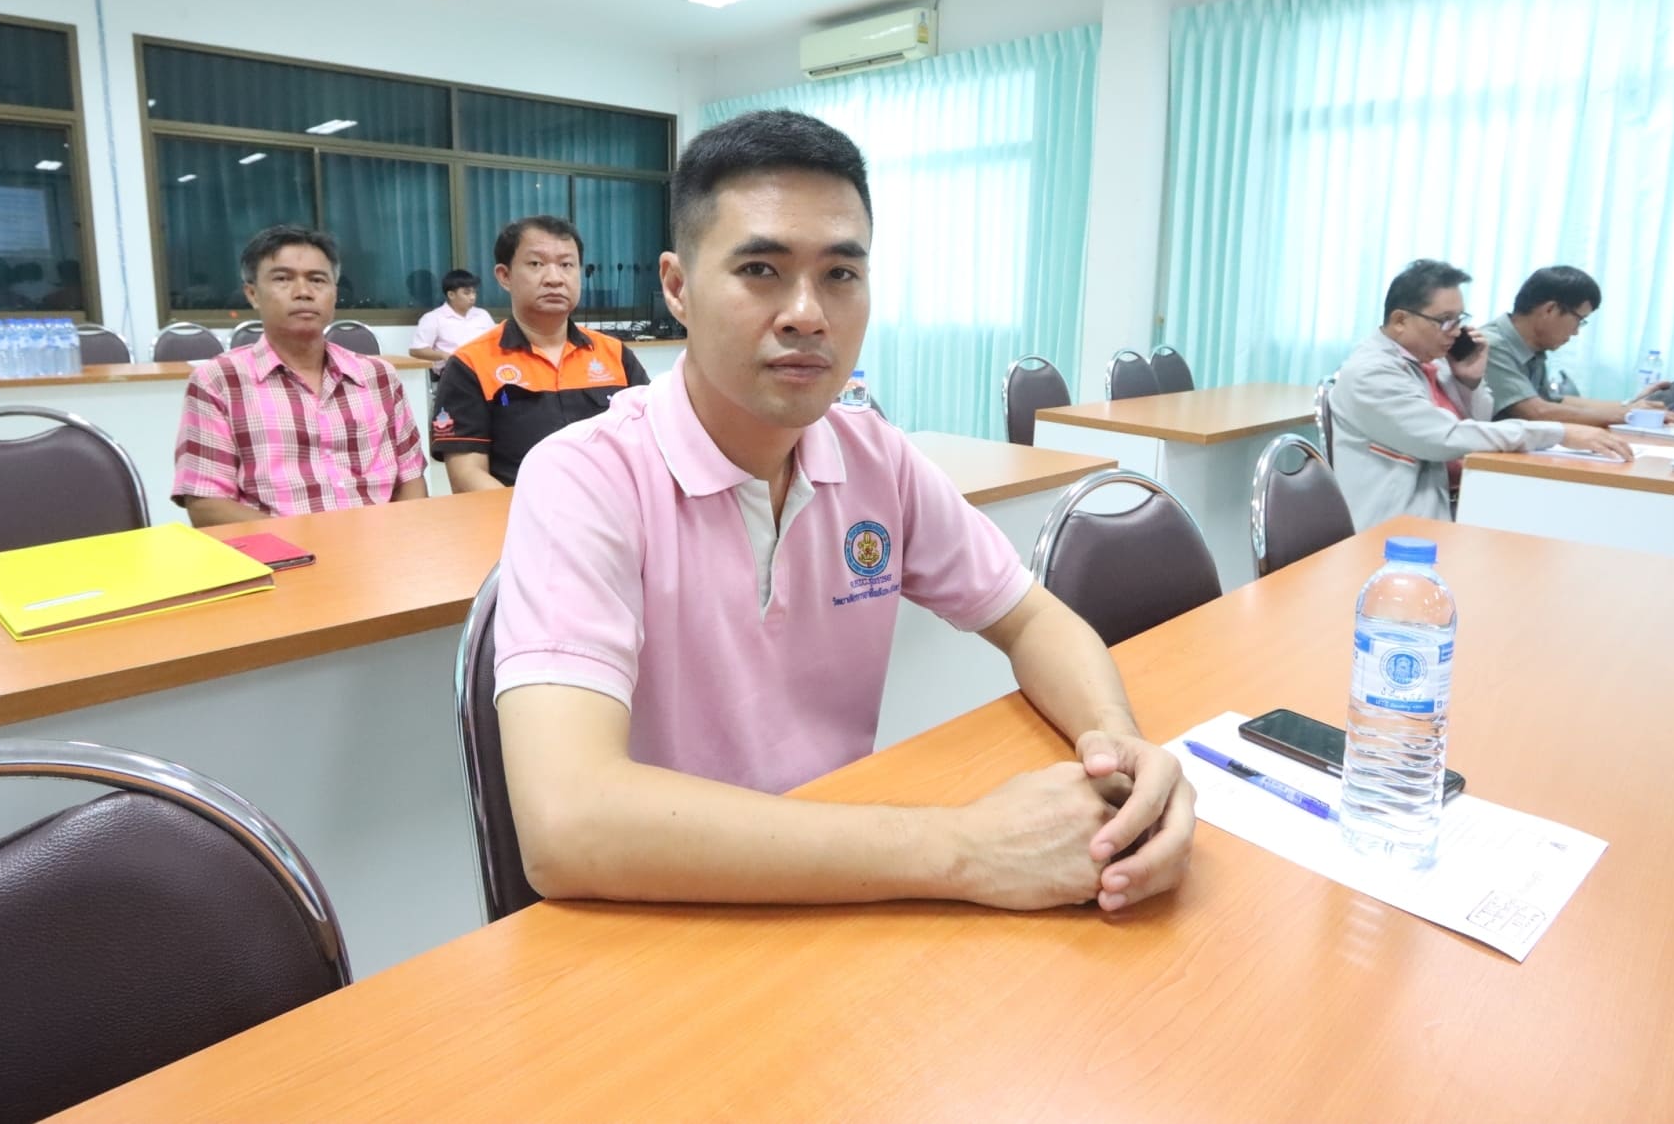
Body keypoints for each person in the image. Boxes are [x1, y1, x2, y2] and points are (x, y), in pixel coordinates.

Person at [490, 109, 1196, 913]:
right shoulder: (584, 477)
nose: (807, 312)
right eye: (760, 269)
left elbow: (1032, 619)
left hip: (846, 895)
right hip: (666, 915)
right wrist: (965, 849)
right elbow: (567, 821)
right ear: (678, 287)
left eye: (840, 274)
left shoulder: (875, 457)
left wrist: (1117, 747)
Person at [1329, 258, 1634, 529]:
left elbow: (1479, 425)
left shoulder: (1434, 362)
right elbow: (1447, 438)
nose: (1456, 331)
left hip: (1459, 503)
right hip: (1398, 527)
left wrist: (1469, 382)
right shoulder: (1372, 374)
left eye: (1459, 319)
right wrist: (1559, 433)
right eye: (1445, 321)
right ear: (1400, 321)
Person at [172, 224, 427, 525]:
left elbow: (411, 479)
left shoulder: (379, 377)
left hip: (382, 545)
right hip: (276, 550)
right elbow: (206, 504)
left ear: (334, 293)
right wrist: (307, 545)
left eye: (317, 280)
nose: (303, 292)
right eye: (283, 279)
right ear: (252, 294)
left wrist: (400, 537)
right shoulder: (219, 382)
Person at [430, 216, 648, 491]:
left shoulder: (614, 354)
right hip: (515, 513)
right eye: (536, 264)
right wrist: (535, 514)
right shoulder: (470, 364)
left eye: (566, 265)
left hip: (615, 509)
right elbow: (467, 475)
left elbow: (650, 443)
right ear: (505, 276)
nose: (554, 279)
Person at [1479, 266, 1674, 426]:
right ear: (1550, 310)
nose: (1576, 332)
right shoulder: (1490, 345)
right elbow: (1536, 412)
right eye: (1579, 320)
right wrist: (1628, 415)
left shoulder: (1532, 347)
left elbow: (1554, 402)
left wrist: (1631, 405)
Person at [407, 268, 496, 374]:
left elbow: (496, 341)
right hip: (453, 371)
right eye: (466, 293)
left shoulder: (482, 315)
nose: (472, 297)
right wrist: (443, 355)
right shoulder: (433, 318)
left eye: (474, 292)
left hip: (484, 368)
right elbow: (416, 350)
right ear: (451, 295)